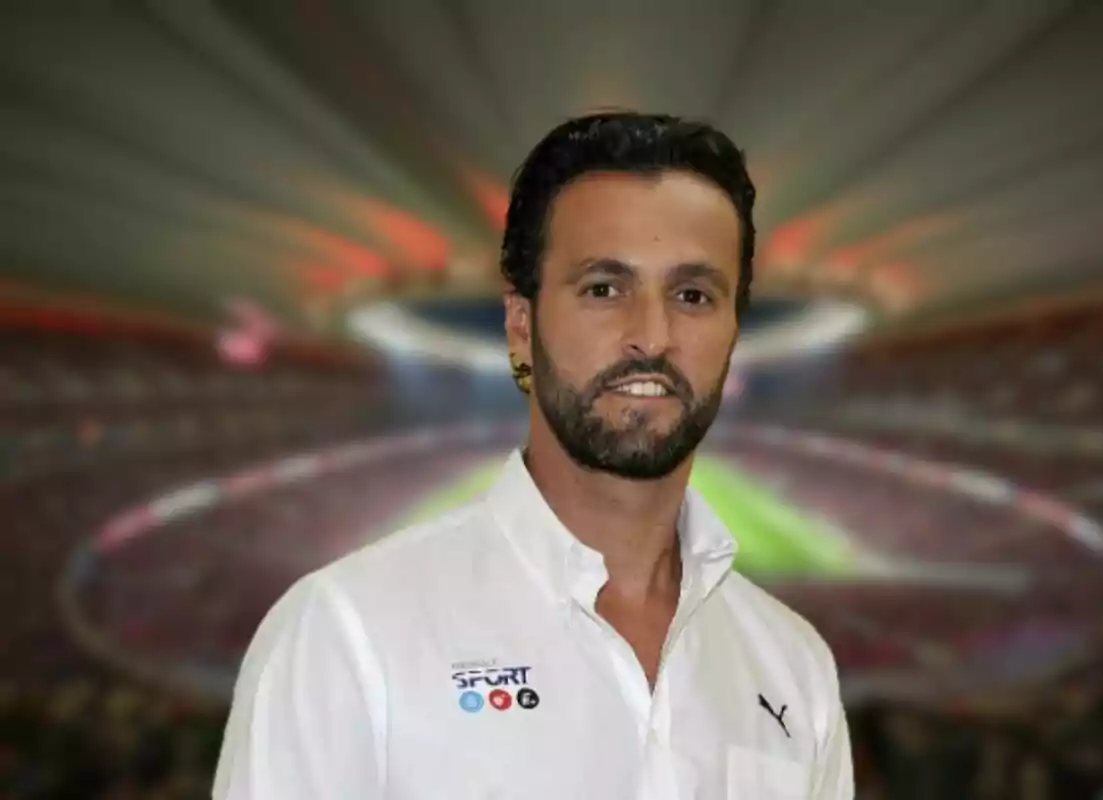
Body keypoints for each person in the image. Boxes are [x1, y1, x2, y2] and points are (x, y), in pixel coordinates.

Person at [212, 111, 854, 799]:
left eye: (693, 295)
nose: (652, 335)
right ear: (522, 326)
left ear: (733, 330)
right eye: (604, 289)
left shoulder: (794, 666)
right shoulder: (344, 634)